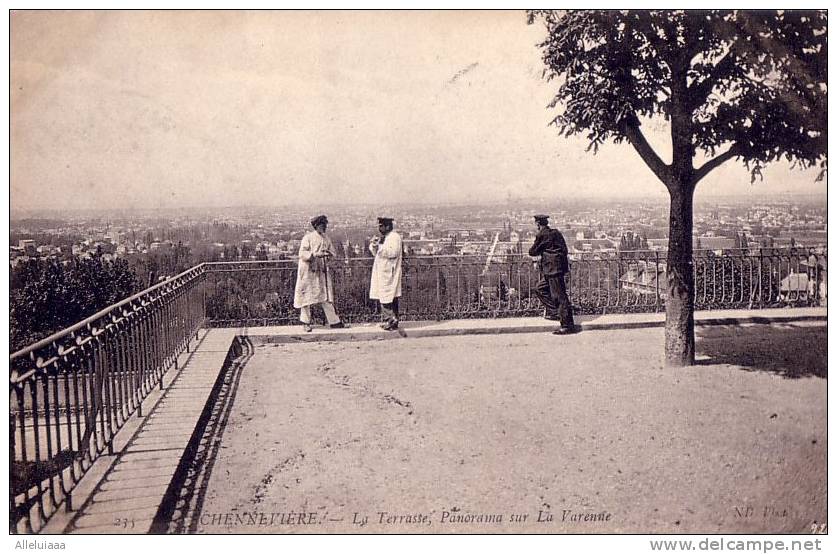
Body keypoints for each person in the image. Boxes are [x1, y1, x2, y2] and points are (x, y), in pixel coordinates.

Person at [293, 215, 345, 332]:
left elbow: (333, 252)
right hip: (308, 271)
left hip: (321, 271)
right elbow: (302, 253)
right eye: (322, 225)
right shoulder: (308, 237)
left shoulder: (326, 238)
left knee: (325, 296)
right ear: (316, 226)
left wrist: (329, 254)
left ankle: (334, 321)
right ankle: (305, 322)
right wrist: (315, 255)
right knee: (306, 297)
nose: (324, 228)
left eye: (325, 225)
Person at [528, 214, 578, 335]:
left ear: (538, 224)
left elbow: (532, 252)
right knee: (540, 289)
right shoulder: (556, 233)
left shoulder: (542, 235)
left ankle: (567, 325)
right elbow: (564, 250)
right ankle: (556, 313)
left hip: (552, 269)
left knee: (559, 297)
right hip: (557, 268)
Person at [369, 216, 403, 331]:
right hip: (383, 272)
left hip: (389, 272)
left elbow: (393, 252)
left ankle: (391, 320)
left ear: (387, 226)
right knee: (387, 296)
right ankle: (391, 320)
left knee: (387, 297)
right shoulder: (385, 237)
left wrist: (379, 247)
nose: (379, 229)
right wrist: (374, 245)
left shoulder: (394, 237)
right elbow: (376, 253)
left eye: (381, 226)